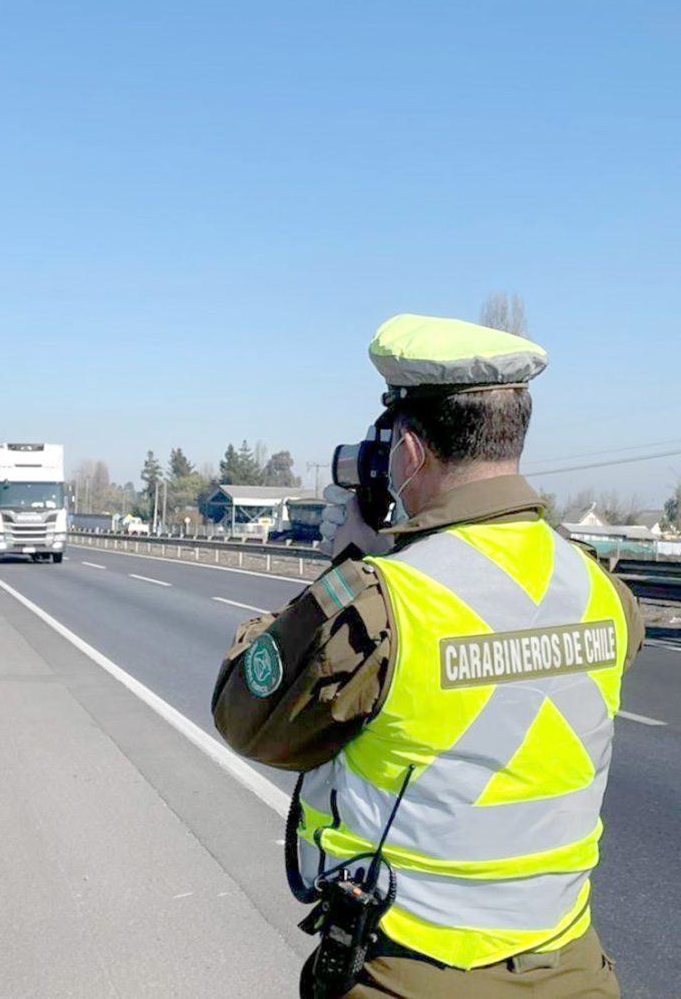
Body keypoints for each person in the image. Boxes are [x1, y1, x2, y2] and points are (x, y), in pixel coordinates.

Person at [212, 314, 643, 998]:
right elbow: (503, 616)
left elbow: (246, 715)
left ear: (409, 450)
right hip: (574, 970)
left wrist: (349, 569)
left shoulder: (382, 603)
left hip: (410, 973)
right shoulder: (603, 590)